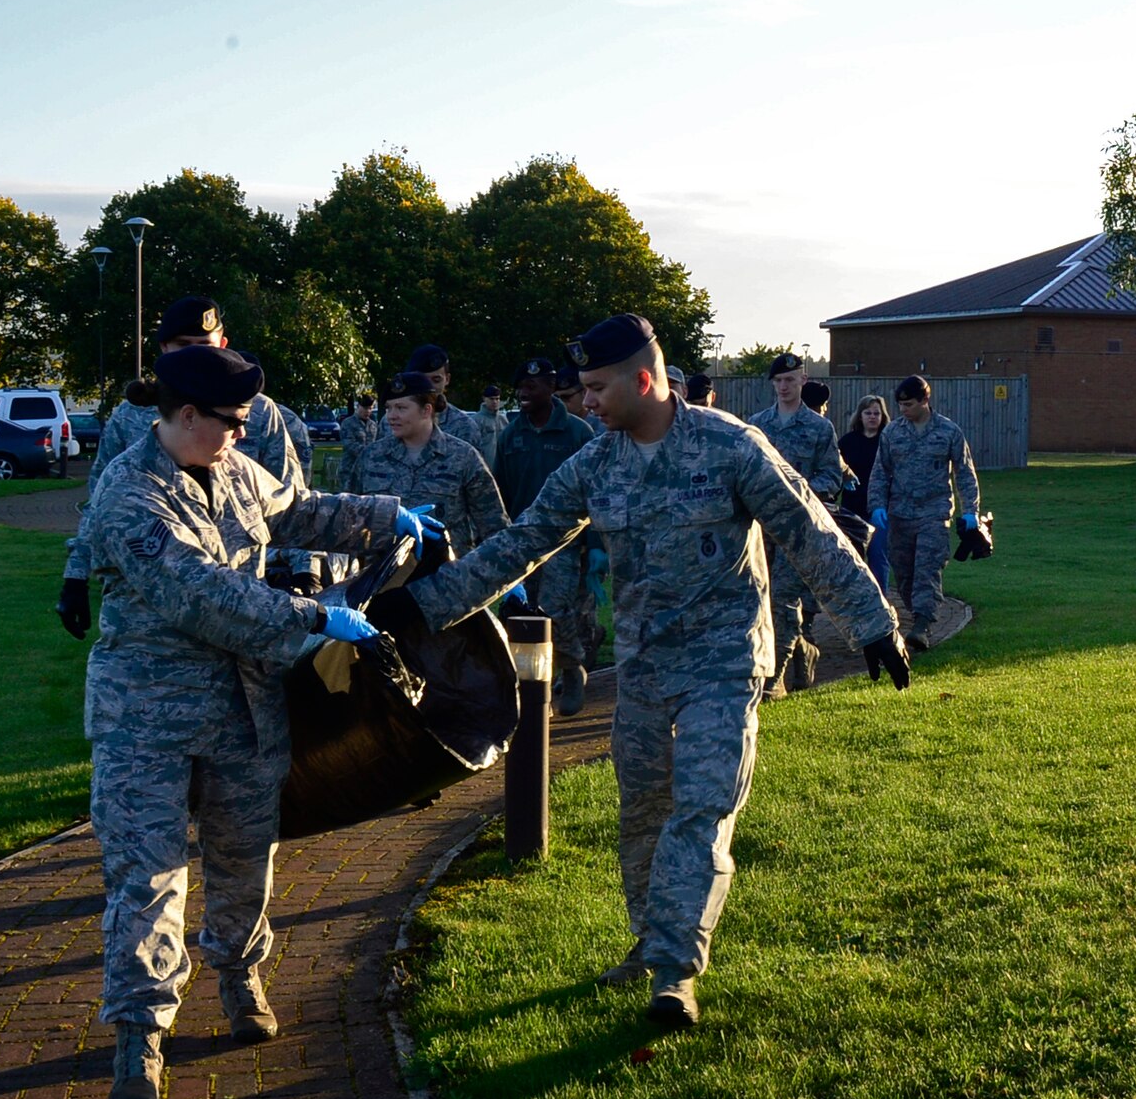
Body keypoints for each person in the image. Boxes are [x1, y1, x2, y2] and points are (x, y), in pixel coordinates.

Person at [372, 314, 909, 1031]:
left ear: (644, 379)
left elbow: (806, 527)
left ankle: (675, 970)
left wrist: (873, 623)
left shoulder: (728, 446)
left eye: (595, 388)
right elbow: (523, 542)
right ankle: (649, 941)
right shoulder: (597, 465)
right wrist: (420, 607)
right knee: (644, 813)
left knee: (702, 805)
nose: (585, 402)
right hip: (645, 665)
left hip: (724, 660)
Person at [78, 344, 443, 1099]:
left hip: (242, 710)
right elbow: (203, 595)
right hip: (147, 719)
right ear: (184, 416)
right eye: (231, 424)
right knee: (146, 877)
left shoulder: (235, 466)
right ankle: (139, 1038)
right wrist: (314, 617)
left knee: (246, 855)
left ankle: (241, 976)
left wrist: (386, 518)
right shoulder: (128, 496)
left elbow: (297, 509)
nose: (242, 437)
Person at [57, 297, 307, 638]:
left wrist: (303, 573)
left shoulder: (259, 414)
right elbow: (99, 500)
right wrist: (75, 575)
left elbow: (290, 500)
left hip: (243, 593)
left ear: (223, 344)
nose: (195, 355)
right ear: (163, 348)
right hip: (154, 600)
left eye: (204, 345)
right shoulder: (130, 415)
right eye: (183, 346)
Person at [492, 355, 600, 716]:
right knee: (526, 614)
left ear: (551, 388)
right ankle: (534, 685)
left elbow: (595, 494)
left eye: (532, 386)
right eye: (520, 386)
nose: (523, 393)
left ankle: (570, 669)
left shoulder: (577, 433)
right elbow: (501, 494)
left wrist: (596, 546)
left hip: (565, 540)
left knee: (555, 609)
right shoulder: (511, 435)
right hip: (522, 540)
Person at [747, 353, 844, 696]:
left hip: (799, 528)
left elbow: (833, 475)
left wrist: (801, 492)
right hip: (761, 529)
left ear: (803, 381)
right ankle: (803, 648)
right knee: (760, 599)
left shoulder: (820, 428)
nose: (784, 386)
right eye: (779, 381)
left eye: (791, 380)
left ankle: (774, 679)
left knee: (783, 599)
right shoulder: (758, 426)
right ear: (772, 384)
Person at [869, 375, 980, 650]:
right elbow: (880, 472)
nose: (903, 410)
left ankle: (922, 625)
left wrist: (971, 511)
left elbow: (965, 473)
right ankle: (918, 612)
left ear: (924, 400)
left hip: (934, 512)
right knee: (904, 572)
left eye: (908, 404)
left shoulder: (948, 431)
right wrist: (877, 505)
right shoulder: (892, 433)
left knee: (927, 570)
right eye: (900, 405)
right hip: (899, 514)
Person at [350, 371, 509, 557]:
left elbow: (494, 525)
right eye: (389, 408)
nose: (391, 416)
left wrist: (506, 578)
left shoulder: (463, 456)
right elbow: (350, 515)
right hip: (380, 576)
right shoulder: (371, 457)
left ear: (426, 410)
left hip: (446, 578)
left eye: (401, 408)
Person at [839, 394, 892, 589]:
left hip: (879, 510)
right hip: (852, 508)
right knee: (853, 559)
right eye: (868, 413)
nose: (872, 417)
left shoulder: (888, 442)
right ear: (860, 416)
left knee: (878, 559)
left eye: (876, 413)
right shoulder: (847, 442)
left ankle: (881, 605)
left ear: (883, 416)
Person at [405, 343, 488, 453]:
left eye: (436, 380)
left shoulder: (464, 426)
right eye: (422, 380)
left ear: (447, 379)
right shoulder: (392, 423)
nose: (429, 387)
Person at [337, 394, 380, 487]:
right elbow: (349, 444)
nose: (367, 411)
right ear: (358, 406)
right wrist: (369, 452)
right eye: (365, 408)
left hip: (368, 470)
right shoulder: (348, 423)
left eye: (370, 408)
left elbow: (377, 442)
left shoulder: (373, 425)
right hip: (350, 469)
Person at [555, 362, 605, 433]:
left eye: (566, 397)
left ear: (584, 393)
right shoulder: (555, 425)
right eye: (556, 398)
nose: (561, 403)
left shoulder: (603, 424)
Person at [472, 384, 507, 468]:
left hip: (502, 468)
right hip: (484, 468)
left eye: (497, 399)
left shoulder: (503, 419)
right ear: (484, 399)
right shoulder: (476, 420)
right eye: (491, 399)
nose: (495, 402)